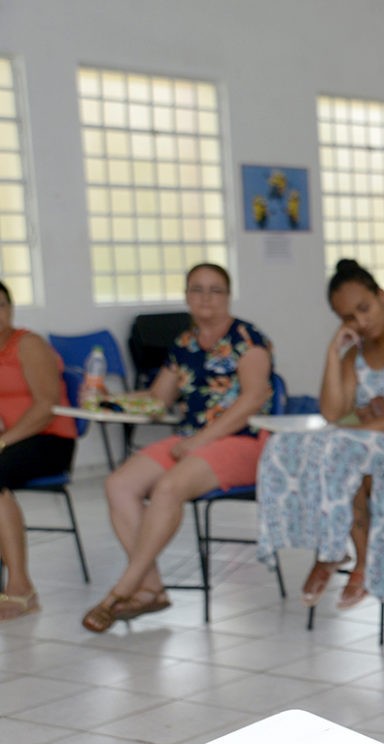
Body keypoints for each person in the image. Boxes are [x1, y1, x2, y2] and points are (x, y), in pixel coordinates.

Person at [256, 259, 384, 610]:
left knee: (346, 452)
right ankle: (333, 547)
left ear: (382, 296)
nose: (360, 323)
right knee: (285, 444)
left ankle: (351, 559)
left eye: (365, 309)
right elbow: (333, 413)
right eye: (348, 318)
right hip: (369, 451)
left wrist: (364, 432)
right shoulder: (357, 353)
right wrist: (334, 354)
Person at [82, 263, 273, 632]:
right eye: (197, 289)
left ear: (228, 296)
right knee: (118, 484)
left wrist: (200, 440)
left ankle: (123, 589)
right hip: (193, 439)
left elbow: (252, 401)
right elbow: (158, 400)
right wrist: (108, 401)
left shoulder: (248, 340)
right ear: (186, 296)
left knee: (169, 488)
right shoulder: (184, 344)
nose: (205, 298)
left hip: (243, 441)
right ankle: (150, 588)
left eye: (215, 290)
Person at [0, 281, 78, 620]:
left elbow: (47, 407)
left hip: (49, 439)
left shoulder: (28, 345)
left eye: (1, 305)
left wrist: (3, 442)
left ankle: (21, 586)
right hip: (13, 440)